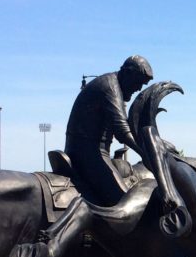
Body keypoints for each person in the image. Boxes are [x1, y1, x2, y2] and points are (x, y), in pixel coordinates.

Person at [65, 55, 154, 205]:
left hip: (92, 150)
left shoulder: (114, 85)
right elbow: (122, 130)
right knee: (125, 204)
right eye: (137, 82)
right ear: (127, 74)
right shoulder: (110, 86)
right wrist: (145, 154)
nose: (138, 88)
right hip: (89, 153)